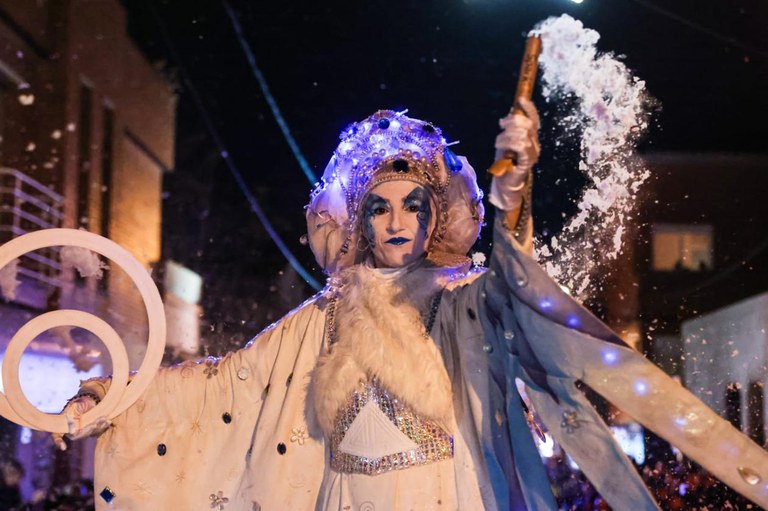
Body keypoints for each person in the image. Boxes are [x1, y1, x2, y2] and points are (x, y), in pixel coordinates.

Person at [55, 103, 768, 510]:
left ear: (437, 214)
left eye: (413, 204)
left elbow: (519, 286)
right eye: (379, 207)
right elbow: (221, 387)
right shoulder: (323, 319)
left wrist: (515, 187)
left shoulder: (468, 303)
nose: (396, 221)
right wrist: (107, 394)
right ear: (358, 220)